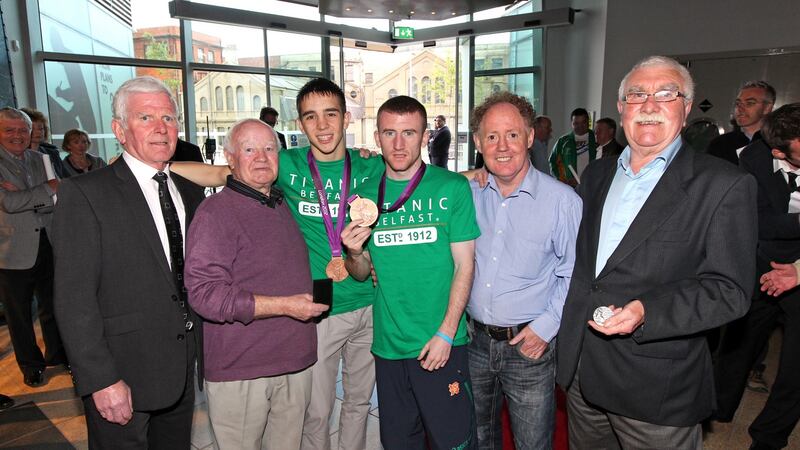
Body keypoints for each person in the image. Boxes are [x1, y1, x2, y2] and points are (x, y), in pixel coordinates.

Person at [556, 55, 758, 449]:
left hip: (654, 387)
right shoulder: (597, 174)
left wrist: (646, 310)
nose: (649, 105)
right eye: (637, 94)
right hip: (582, 372)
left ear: (685, 109)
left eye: (666, 94)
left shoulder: (723, 185)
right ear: (621, 108)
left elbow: (728, 290)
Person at [172, 78, 384, 450]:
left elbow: (416, 180)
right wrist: (157, 165)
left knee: (358, 402)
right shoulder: (283, 163)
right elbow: (221, 172)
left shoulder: (371, 166)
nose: (322, 125)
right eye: (311, 117)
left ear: (347, 118)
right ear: (300, 125)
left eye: (331, 114)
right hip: (320, 308)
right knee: (315, 413)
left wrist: (479, 176)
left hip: (368, 301)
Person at [52, 76, 206, 448]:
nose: (160, 128)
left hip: (182, 369)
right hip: (122, 375)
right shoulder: (85, 194)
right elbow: (74, 300)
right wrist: (100, 379)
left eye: (168, 119)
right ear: (119, 130)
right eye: (145, 118)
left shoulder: (190, 192)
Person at [341, 95, 480, 450]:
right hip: (389, 348)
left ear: (424, 137)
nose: (399, 144)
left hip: (441, 343)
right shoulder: (363, 199)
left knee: (454, 442)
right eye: (390, 133)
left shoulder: (452, 189)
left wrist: (447, 334)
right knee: (400, 443)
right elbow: (361, 274)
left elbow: (466, 265)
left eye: (409, 133)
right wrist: (354, 252)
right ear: (377, 137)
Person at [185, 118, 327, 449]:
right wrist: (284, 306)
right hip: (243, 371)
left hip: (294, 361)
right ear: (230, 158)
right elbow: (205, 295)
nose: (261, 157)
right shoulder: (215, 214)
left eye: (268, 149)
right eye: (249, 149)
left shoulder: (280, 204)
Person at [467, 92, 581, 449]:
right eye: (492, 136)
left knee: (533, 443)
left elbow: (575, 274)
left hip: (529, 348)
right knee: (477, 438)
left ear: (530, 137)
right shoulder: (466, 193)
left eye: (512, 135)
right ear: (477, 142)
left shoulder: (563, 202)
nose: (502, 146)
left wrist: (544, 329)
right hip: (473, 343)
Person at [714, 103, 800, 450]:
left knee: (796, 369)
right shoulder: (753, 159)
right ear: (779, 151)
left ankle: (768, 438)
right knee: (736, 347)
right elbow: (758, 222)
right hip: (761, 266)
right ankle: (717, 412)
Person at [0, 107, 66, 388]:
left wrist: (31, 195)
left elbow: (57, 200)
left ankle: (56, 355)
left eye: (23, 130)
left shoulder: (40, 158)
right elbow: (9, 204)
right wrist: (47, 188)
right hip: (11, 251)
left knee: (54, 306)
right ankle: (31, 365)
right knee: (19, 315)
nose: (18, 135)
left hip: (48, 243)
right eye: (9, 130)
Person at [707, 81, 775, 165]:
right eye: (738, 103)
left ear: (767, 108)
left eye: (749, 103)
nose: (740, 108)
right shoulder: (721, 144)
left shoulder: (776, 143)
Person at [549, 107, 596, 186]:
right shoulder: (563, 141)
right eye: (576, 123)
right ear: (571, 123)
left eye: (583, 122)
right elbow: (553, 162)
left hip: (591, 184)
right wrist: (563, 180)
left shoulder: (596, 138)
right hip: (570, 186)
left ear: (588, 122)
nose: (580, 126)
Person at [20, 107, 67, 179]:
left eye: (40, 128)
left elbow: (65, 178)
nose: (38, 132)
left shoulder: (52, 152)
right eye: (32, 129)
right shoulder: (17, 154)